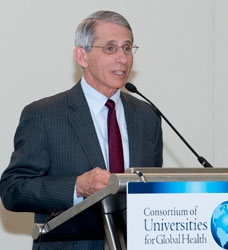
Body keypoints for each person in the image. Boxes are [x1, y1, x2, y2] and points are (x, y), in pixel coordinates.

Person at [0, 10, 163, 250]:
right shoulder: (45, 114)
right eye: (110, 48)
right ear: (82, 56)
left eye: (127, 48)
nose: (123, 58)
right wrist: (77, 186)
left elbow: (150, 190)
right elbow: (13, 189)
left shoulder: (147, 116)